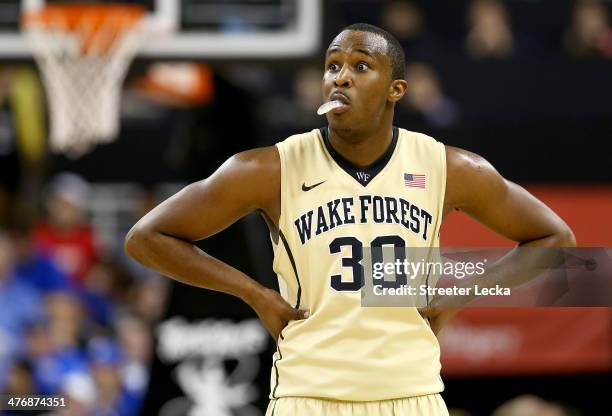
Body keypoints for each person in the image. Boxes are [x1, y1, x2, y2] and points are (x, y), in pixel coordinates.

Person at [125, 23, 575, 416]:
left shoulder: (447, 167)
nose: (341, 76)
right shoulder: (270, 169)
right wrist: (254, 294)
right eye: (332, 65)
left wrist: (458, 297)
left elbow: (554, 238)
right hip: (309, 395)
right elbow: (147, 238)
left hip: (412, 394)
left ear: (395, 89)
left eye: (361, 66)